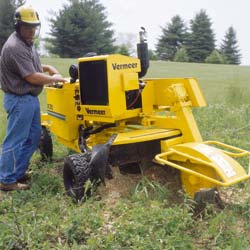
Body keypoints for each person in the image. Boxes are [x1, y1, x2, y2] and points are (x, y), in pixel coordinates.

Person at [0, 5, 66, 191]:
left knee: (33, 136)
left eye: (34, 27)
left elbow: (31, 64)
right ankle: (6, 180)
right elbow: (31, 77)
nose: (31, 30)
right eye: (27, 27)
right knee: (15, 140)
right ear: (18, 26)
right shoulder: (14, 47)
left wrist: (46, 67)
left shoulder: (26, 42)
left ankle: (17, 172)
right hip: (20, 99)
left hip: (29, 99)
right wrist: (54, 78)